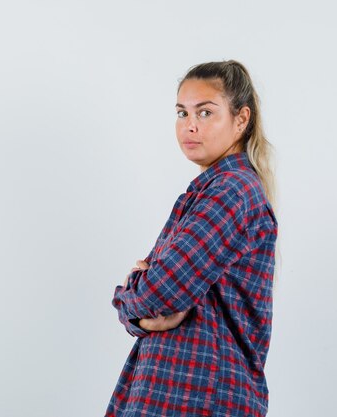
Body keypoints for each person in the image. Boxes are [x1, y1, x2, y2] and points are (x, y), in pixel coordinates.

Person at [106, 60, 279, 417]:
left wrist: (133, 290)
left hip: (200, 395)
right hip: (182, 391)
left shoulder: (230, 191)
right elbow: (159, 293)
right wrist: (138, 311)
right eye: (182, 113)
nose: (191, 125)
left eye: (205, 112)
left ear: (241, 120)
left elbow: (161, 289)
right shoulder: (213, 190)